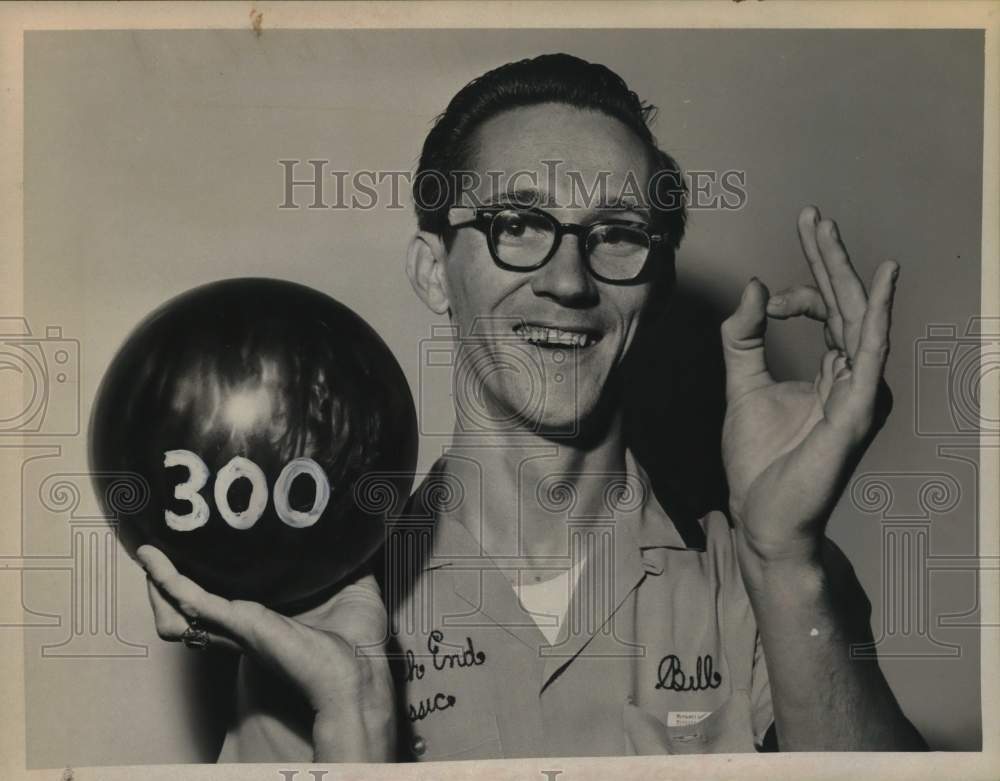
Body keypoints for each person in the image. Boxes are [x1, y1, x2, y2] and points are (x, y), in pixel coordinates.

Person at [137, 53, 926, 761]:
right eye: (516, 224)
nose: (569, 280)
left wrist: (782, 555)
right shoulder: (330, 608)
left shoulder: (766, 577)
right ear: (434, 271)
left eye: (616, 232)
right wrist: (355, 711)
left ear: (655, 286)